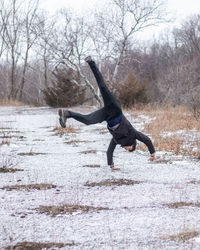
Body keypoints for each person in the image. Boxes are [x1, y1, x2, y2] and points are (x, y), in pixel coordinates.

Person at [58, 56, 155, 170]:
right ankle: (91, 62)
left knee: (88, 120)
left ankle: (67, 113)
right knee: (103, 87)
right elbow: (146, 139)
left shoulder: (117, 140)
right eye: (130, 149)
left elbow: (109, 151)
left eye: (127, 150)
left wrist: (111, 166)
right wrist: (152, 153)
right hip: (115, 111)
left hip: (107, 116)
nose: (126, 149)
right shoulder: (133, 134)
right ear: (132, 144)